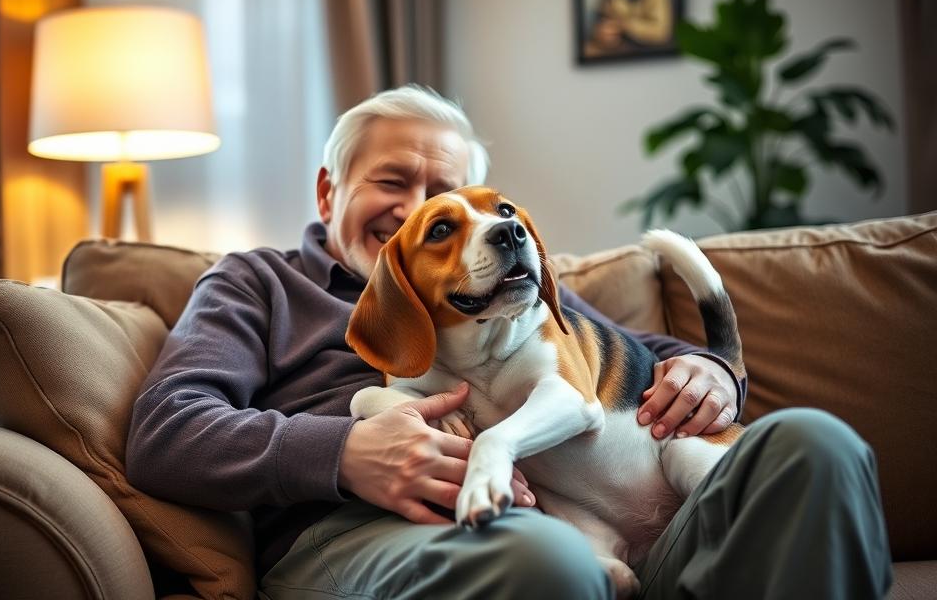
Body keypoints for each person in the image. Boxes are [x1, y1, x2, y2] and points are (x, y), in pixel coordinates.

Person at [126, 85, 893, 599]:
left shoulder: (504, 295)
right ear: (330, 190)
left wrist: (709, 371)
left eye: (447, 194)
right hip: (358, 536)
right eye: (394, 182)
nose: (417, 209)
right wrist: (342, 454)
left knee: (814, 445)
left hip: (595, 517)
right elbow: (166, 431)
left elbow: (619, 354)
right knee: (541, 561)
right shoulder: (257, 283)